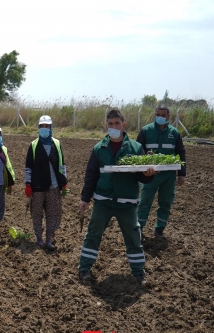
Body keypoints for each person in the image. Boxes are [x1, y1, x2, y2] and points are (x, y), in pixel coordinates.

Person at [78, 108, 155, 285]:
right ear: (106, 125)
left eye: (117, 123)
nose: (113, 127)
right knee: (93, 234)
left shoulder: (136, 148)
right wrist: (85, 198)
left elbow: (142, 177)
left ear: (123, 125)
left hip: (127, 203)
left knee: (134, 237)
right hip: (103, 201)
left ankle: (138, 272)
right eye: (110, 124)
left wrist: (149, 173)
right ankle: (84, 269)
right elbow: (91, 176)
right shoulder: (99, 149)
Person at [136, 104, 186, 238]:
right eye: (158, 115)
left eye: (163, 115)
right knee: (144, 202)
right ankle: (138, 229)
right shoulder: (146, 131)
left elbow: (180, 153)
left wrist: (182, 174)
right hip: (150, 174)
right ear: (155, 114)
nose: (161, 117)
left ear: (168, 117)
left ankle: (159, 230)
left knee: (166, 202)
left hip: (169, 176)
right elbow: (138, 150)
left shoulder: (174, 133)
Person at [24, 115, 68, 250]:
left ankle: (49, 239)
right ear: (38, 128)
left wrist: (64, 181)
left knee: (52, 214)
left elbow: (62, 164)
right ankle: (39, 238)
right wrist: (28, 184)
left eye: (47, 126)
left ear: (51, 128)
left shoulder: (56, 144)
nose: (44, 129)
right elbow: (28, 166)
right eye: (42, 126)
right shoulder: (33, 145)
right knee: (36, 213)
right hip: (37, 187)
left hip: (54, 186)